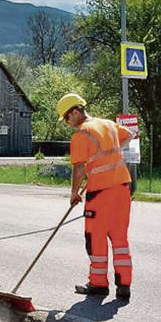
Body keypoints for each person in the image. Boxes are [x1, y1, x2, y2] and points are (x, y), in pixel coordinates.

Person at [57, 93, 134, 300]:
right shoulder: (108, 124)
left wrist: (74, 193)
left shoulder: (81, 134)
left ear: (74, 112)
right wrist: (110, 153)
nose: (67, 123)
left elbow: (79, 167)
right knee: (119, 237)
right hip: (123, 186)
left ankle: (99, 284)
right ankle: (124, 285)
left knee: (95, 237)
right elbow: (128, 134)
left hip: (100, 190)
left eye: (66, 118)